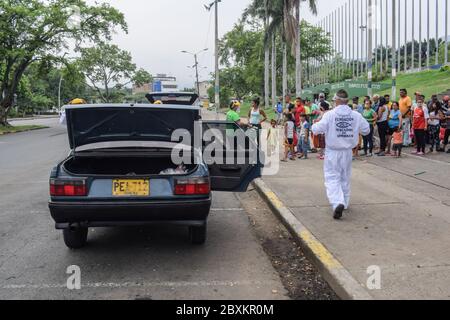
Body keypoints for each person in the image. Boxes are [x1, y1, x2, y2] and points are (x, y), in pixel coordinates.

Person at [312, 89, 370, 220]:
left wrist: (316, 123)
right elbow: (366, 130)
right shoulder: (356, 115)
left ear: (337, 101)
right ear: (347, 101)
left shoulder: (330, 115)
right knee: (345, 177)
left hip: (333, 151)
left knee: (332, 178)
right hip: (348, 151)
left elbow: (316, 130)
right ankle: (345, 202)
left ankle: (338, 202)